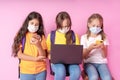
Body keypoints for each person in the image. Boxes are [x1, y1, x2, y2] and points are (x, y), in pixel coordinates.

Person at [12, 11, 47, 80]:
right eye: (32, 23)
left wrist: (38, 45)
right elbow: (20, 55)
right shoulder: (20, 36)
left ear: (39, 26)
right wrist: (35, 59)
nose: (34, 26)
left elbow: (43, 56)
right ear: (27, 22)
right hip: (25, 71)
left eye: (36, 24)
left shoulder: (41, 37)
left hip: (41, 71)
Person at [46, 11, 81, 80]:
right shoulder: (52, 36)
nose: (65, 28)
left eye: (67, 26)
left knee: (76, 72)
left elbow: (78, 52)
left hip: (71, 63)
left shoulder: (74, 36)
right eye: (63, 26)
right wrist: (50, 55)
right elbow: (48, 51)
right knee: (60, 71)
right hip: (57, 63)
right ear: (58, 25)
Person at [81, 13, 112, 80]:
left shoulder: (104, 37)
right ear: (88, 25)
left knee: (107, 78)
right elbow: (84, 56)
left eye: (98, 26)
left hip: (101, 63)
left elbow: (104, 56)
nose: (96, 28)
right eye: (93, 25)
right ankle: (84, 73)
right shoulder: (84, 37)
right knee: (94, 77)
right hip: (89, 63)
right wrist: (90, 48)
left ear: (101, 26)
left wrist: (103, 48)